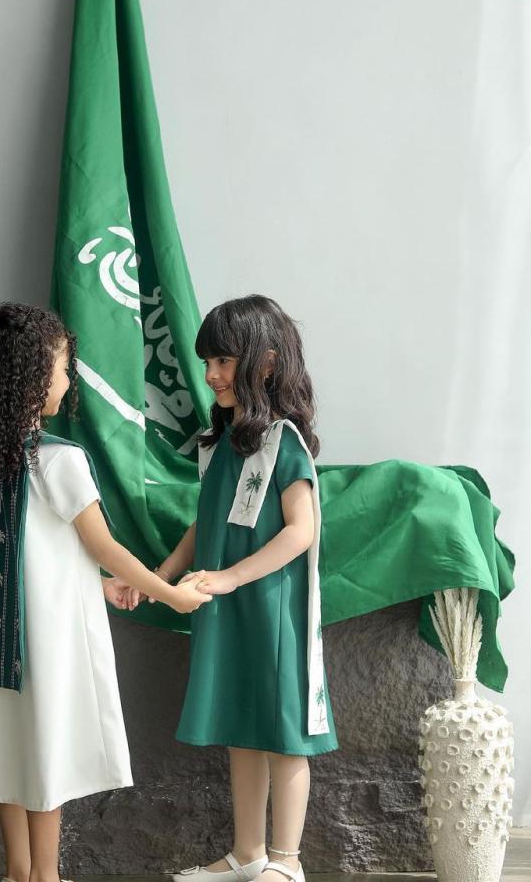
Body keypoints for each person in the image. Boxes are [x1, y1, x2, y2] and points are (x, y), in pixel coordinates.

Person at [0, 301, 211, 882]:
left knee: (6, 754)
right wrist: (170, 594)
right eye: (63, 368)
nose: (68, 380)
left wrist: (99, 588)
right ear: (34, 380)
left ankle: (18, 872)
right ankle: (48, 875)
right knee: (46, 756)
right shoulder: (59, 461)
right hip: (45, 642)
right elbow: (103, 546)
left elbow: (29, 555)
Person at [152, 295, 338, 882]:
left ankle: (287, 862)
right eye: (208, 361)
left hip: (272, 610)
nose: (211, 374)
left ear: (266, 362)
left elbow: (302, 530)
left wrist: (230, 577)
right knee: (242, 729)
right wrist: (159, 576)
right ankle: (248, 855)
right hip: (229, 608)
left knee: (284, 734)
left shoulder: (284, 441)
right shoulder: (221, 444)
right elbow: (204, 523)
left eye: (223, 361)